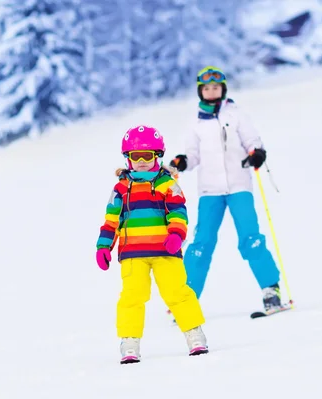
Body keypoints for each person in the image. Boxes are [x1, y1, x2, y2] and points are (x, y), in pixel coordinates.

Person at [168, 66, 283, 312]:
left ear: (223, 89)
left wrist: (257, 153)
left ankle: (270, 289)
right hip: (210, 191)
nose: (211, 92)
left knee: (250, 238)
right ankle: (186, 298)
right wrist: (182, 161)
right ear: (201, 91)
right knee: (201, 243)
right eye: (207, 88)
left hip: (239, 186)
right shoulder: (196, 123)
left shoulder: (236, 114)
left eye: (216, 88)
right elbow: (192, 155)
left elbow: (252, 140)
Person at [96, 125, 209, 364]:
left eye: (147, 156)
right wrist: (103, 246)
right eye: (135, 156)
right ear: (127, 158)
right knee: (131, 297)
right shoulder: (121, 188)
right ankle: (129, 341)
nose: (141, 162)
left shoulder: (167, 184)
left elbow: (178, 212)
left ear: (157, 156)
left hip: (165, 250)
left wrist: (176, 235)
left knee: (177, 292)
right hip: (132, 254)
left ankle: (194, 334)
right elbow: (111, 220)